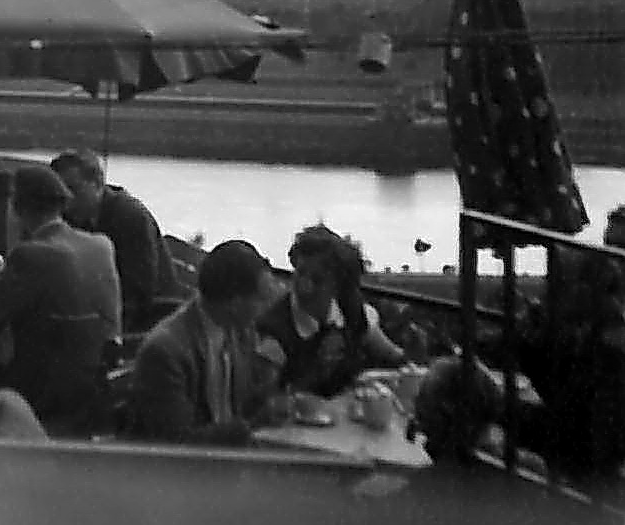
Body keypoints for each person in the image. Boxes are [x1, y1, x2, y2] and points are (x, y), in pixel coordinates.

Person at [0, 165, 120, 431]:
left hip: (40, 389)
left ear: (16, 208)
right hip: (91, 386)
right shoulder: (101, 246)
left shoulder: (31, 256)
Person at [127, 240, 278, 446]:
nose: (266, 309)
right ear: (235, 302)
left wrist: (271, 393)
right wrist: (250, 427)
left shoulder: (240, 331)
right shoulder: (165, 352)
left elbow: (243, 403)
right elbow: (177, 442)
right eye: (261, 300)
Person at [256, 225, 405, 398]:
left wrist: (411, 361)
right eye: (301, 272)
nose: (305, 286)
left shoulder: (351, 309)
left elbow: (391, 355)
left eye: (317, 280)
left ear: (339, 286)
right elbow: (267, 403)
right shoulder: (274, 333)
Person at [50, 149, 183, 331]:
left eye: (73, 189)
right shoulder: (69, 217)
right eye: (60, 192)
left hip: (150, 319)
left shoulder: (130, 217)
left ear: (97, 184)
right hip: (98, 310)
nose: (67, 200)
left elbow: (138, 289)